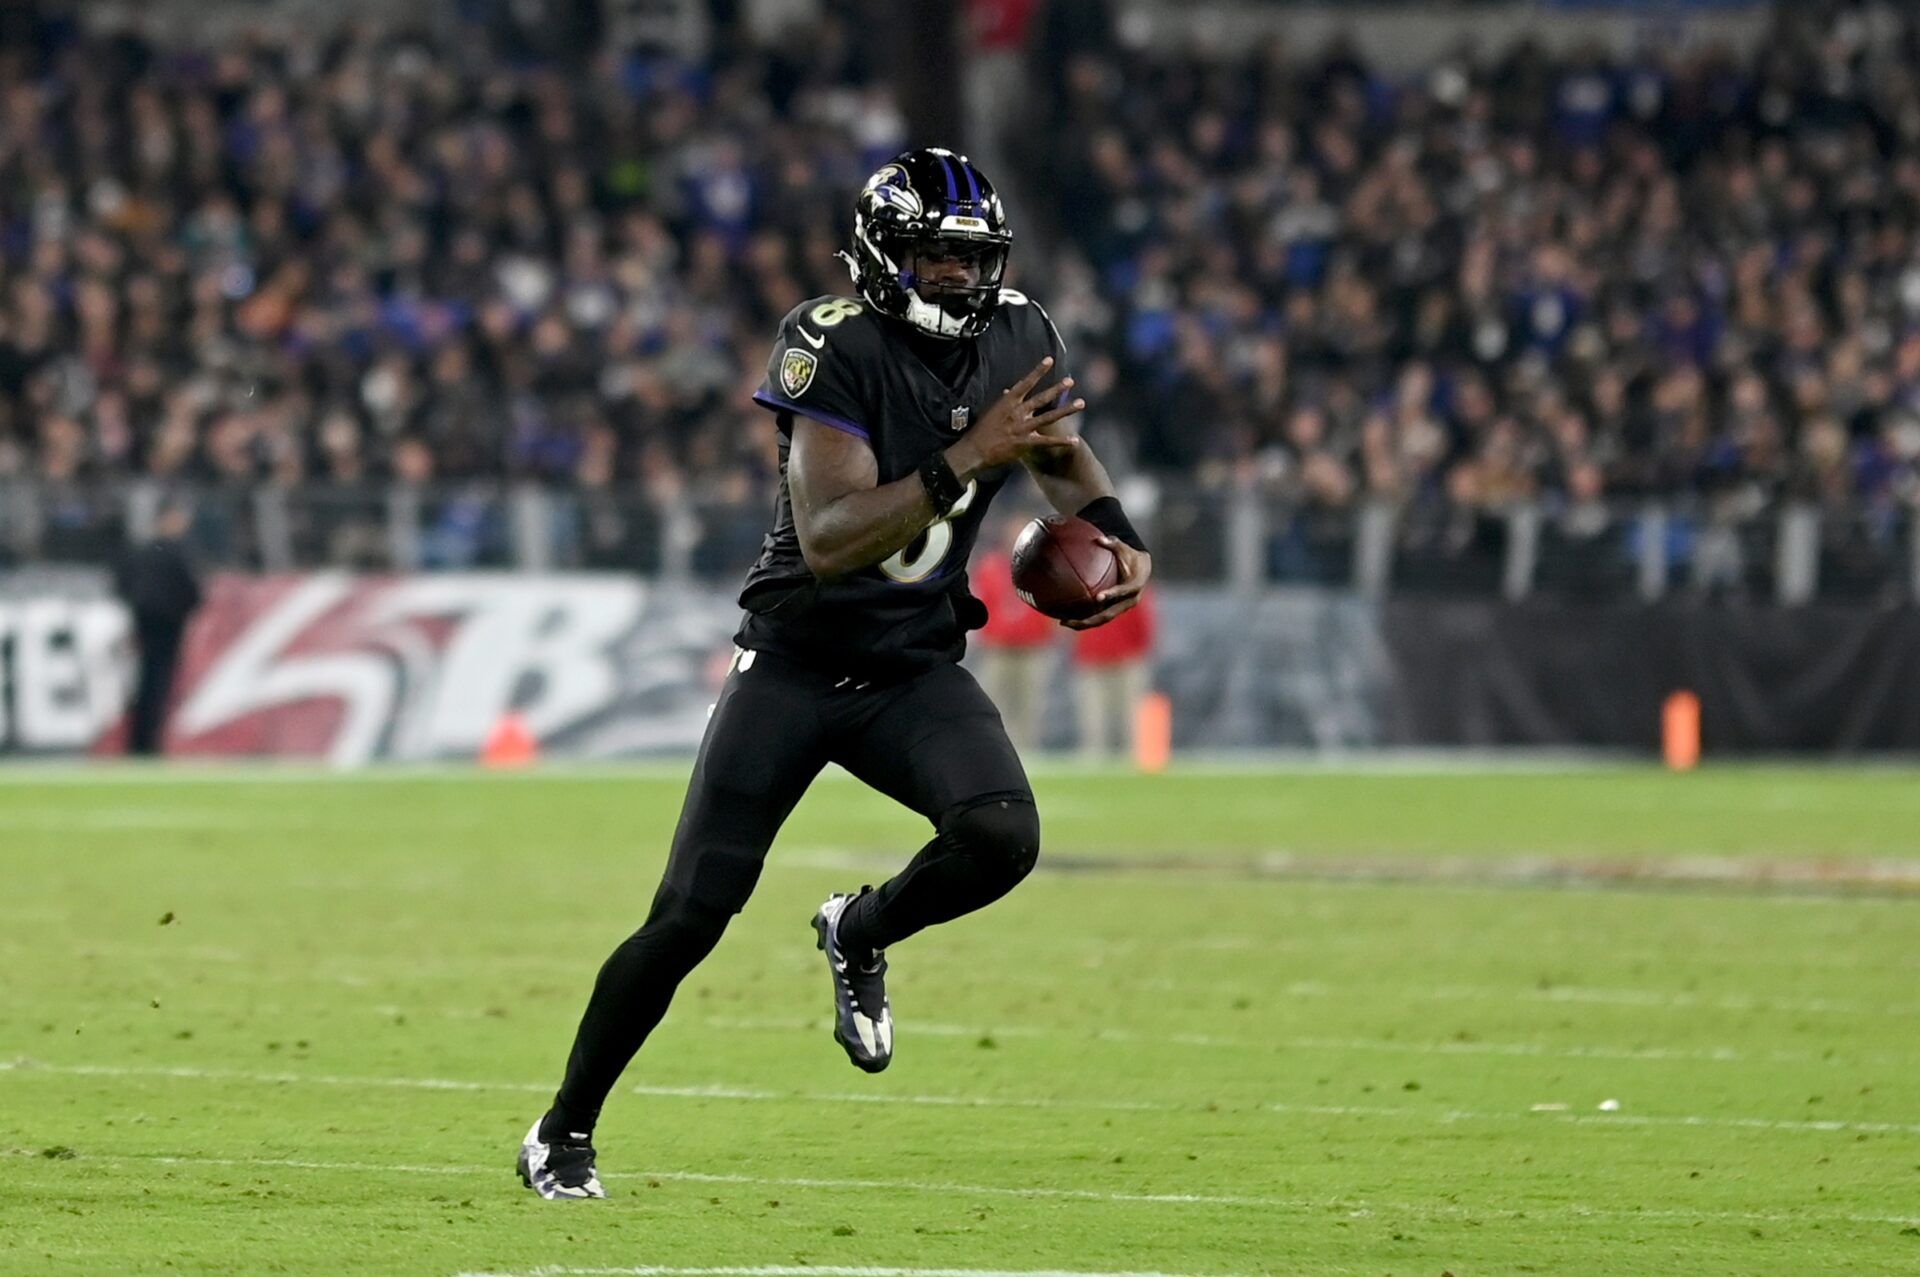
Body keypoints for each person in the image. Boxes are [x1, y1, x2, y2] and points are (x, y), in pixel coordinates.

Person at [517, 148, 1153, 1199]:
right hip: (797, 665)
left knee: (1001, 834)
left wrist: (1120, 537)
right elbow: (829, 534)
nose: (952, 275)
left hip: (912, 661)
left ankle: (858, 927)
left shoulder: (1020, 332)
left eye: (967, 256)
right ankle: (564, 1125)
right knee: (689, 914)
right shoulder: (832, 341)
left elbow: (1058, 455)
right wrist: (965, 453)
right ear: (880, 254)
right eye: (930, 254)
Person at [111, 500, 202, 756]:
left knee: (144, 684)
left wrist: (138, 612)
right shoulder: (178, 553)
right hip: (169, 627)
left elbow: (121, 585)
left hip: (144, 625)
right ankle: (150, 742)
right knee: (159, 685)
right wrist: (183, 612)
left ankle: (137, 741)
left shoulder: (141, 550)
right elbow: (193, 591)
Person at [971, 512, 1061, 752]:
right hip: (998, 648)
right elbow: (980, 603)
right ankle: (993, 751)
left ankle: (1027, 751)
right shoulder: (989, 566)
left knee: (1030, 705)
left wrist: (1052, 635)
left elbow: (1052, 604)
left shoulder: (1042, 567)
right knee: (993, 703)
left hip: (1032, 648)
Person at [1071, 584, 1156, 761]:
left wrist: (1135, 654)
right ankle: (1094, 759)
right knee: (1093, 717)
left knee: (1129, 717)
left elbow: (1145, 625)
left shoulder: (1132, 587)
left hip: (1125, 662)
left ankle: (1132, 759)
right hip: (1093, 662)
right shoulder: (1081, 585)